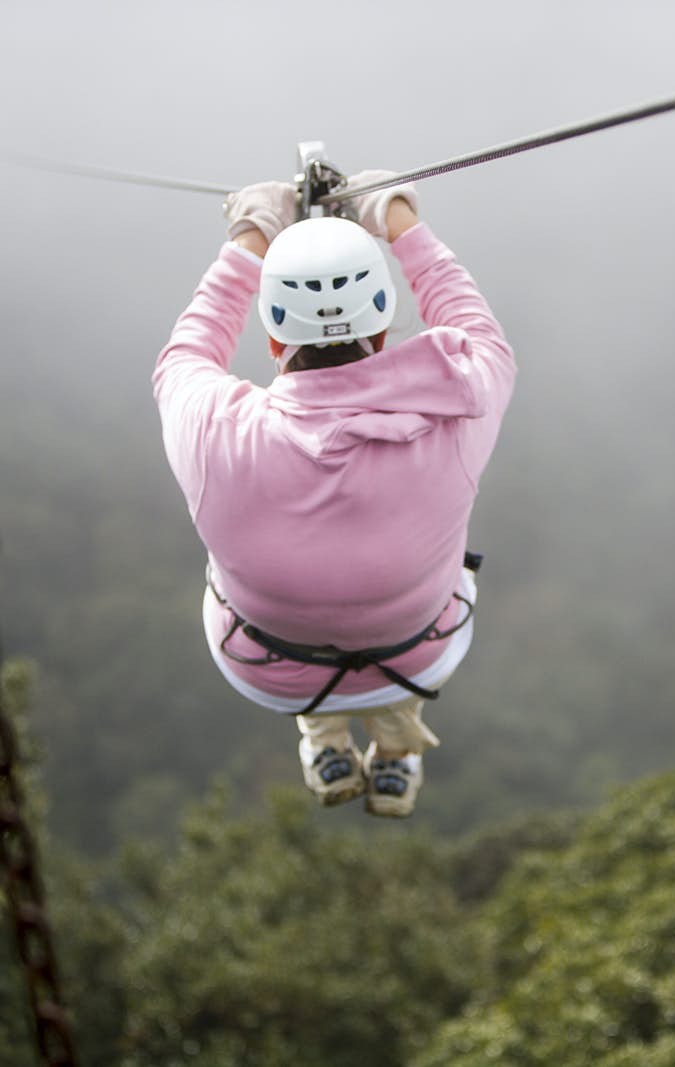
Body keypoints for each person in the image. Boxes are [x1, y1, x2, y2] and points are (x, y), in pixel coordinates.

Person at [152, 173, 514, 817]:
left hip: (265, 667)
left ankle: (324, 742)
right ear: (379, 333)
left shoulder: (214, 432)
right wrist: (394, 216)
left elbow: (186, 354)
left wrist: (250, 235)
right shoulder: (456, 411)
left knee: (252, 566)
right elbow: (479, 334)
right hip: (418, 651)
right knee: (409, 595)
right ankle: (398, 754)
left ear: (272, 340)